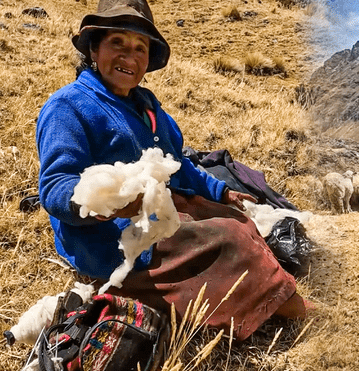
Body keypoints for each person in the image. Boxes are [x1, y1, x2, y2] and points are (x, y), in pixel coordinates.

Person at [36, 0, 312, 341]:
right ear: (94, 48)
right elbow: (55, 186)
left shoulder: (148, 107)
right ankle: (282, 304)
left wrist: (220, 191)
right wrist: (107, 205)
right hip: (111, 239)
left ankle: (260, 289)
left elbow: (178, 165)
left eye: (140, 48)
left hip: (156, 214)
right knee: (229, 239)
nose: (129, 57)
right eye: (117, 43)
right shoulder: (68, 106)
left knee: (237, 219)